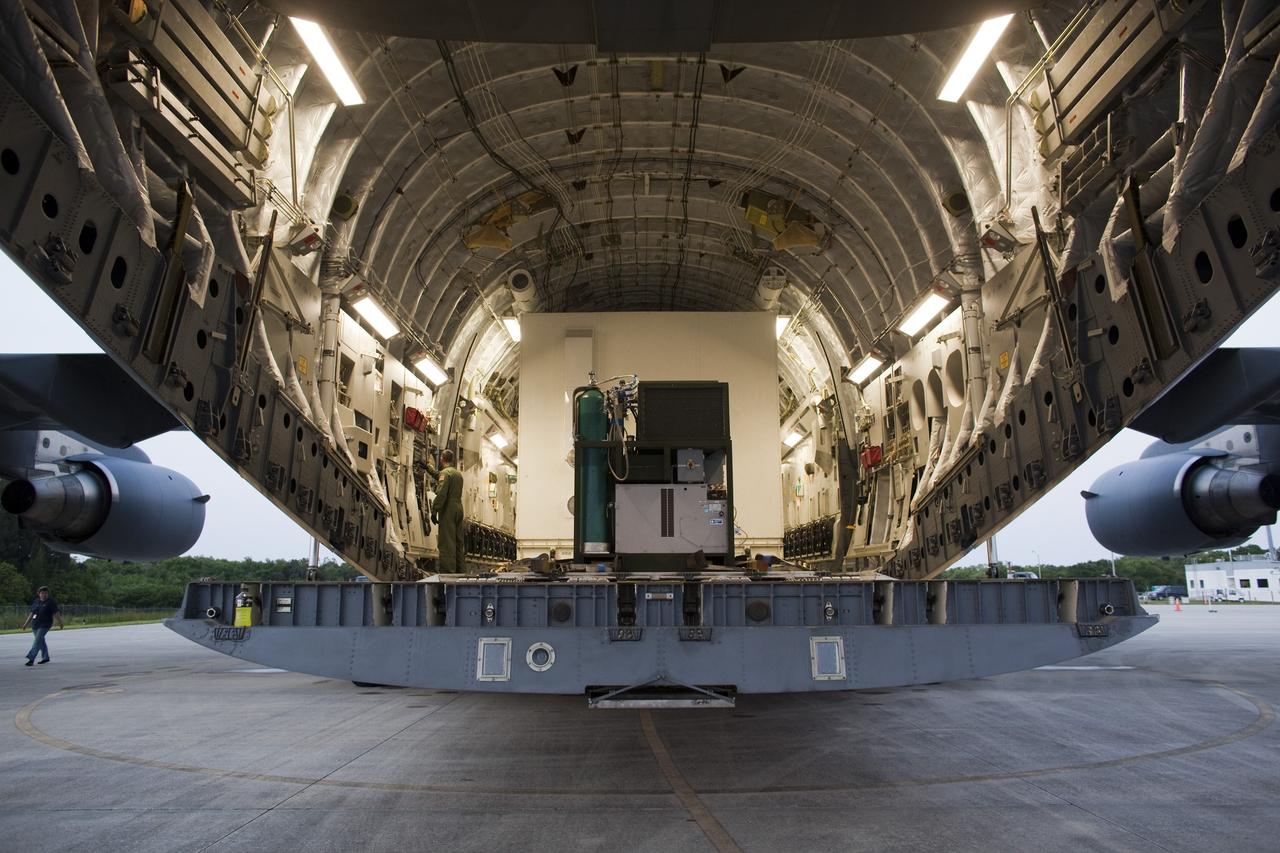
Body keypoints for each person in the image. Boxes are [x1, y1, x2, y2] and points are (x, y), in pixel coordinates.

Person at [431, 449, 466, 573]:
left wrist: (434, 510)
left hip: (448, 509)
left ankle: (448, 573)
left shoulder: (445, 473)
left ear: (442, 459)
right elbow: (441, 476)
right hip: (459, 508)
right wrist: (428, 469)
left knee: (447, 542)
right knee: (458, 541)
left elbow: (441, 493)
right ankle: (460, 571)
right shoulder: (457, 474)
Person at [21, 586, 64, 666]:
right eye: (42, 593)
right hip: (35, 624)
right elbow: (32, 613)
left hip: (45, 625)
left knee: (37, 641)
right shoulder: (36, 601)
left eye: (46, 593)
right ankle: (45, 657)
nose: (44, 595)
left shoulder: (51, 602)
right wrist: (26, 624)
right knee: (40, 641)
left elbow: (56, 613)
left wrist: (60, 623)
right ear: (39, 594)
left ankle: (31, 658)